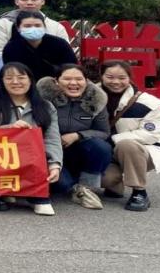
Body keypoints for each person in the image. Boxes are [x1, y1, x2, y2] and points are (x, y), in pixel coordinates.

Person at [0, 63, 62, 215]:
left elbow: (52, 138)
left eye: (21, 77)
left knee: (63, 182)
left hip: (33, 162)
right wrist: (9, 129)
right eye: (9, 78)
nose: (15, 82)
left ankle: (34, 197)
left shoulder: (46, 106)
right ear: (1, 81)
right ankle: (7, 192)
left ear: (30, 80)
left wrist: (55, 164)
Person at [99, 60, 160, 212]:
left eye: (122, 78)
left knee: (127, 144)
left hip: (142, 153)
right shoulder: (90, 96)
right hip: (109, 153)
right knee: (103, 179)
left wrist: (113, 139)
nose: (115, 82)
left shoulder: (147, 102)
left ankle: (139, 192)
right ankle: (114, 185)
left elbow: (152, 133)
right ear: (101, 76)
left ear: (130, 78)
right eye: (110, 77)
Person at [37, 65, 112, 210]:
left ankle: (87, 188)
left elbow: (103, 132)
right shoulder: (43, 99)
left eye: (79, 79)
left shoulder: (96, 100)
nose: (73, 83)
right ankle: (70, 184)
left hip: (79, 149)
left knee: (102, 147)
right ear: (56, 81)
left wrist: (77, 135)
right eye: (67, 79)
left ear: (86, 81)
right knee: (61, 185)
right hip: (51, 152)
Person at [0, 0, 70, 53]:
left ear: (42, 1)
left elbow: (65, 53)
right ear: (16, 1)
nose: (29, 3)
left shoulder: (56, 27)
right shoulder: (3, 25)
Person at [1, 11, 78, 82]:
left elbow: (72, 68)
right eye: (27, 26)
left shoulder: (60, 44)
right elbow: (12, 73)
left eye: (37, 25)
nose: (33, 29)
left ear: (44, 27)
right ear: (18, 28)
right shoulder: (11, 48)